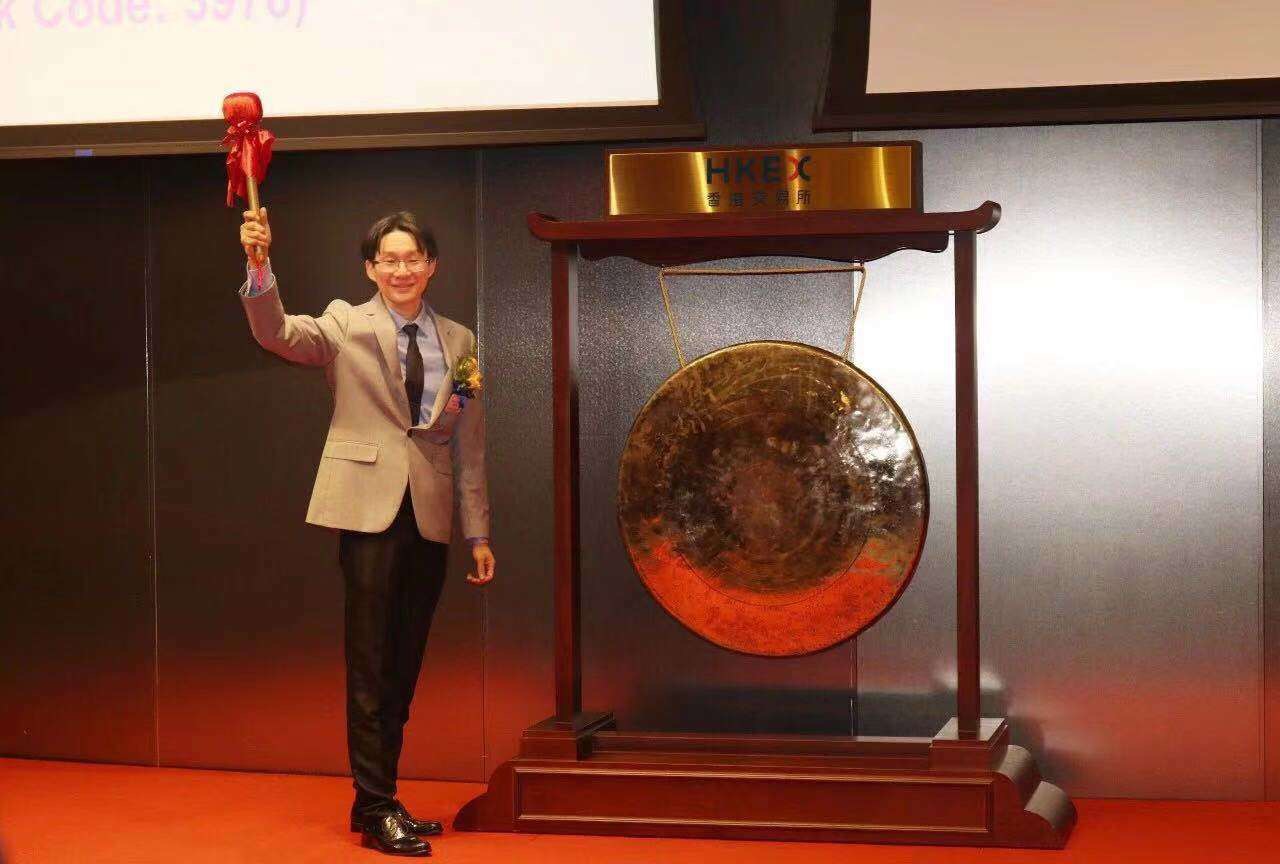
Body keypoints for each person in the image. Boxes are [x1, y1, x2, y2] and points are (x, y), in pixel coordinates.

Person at [237, 208, 494, 857]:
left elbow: (468, 439)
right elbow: (278, 334)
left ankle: (375, 797)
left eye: (413, 259)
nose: (402, 269)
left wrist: (478, 533)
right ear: (370, 269)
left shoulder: (462, 342)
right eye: (389, 260)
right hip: (366, 508)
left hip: (430, 512)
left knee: (404, 663)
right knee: (371, 661)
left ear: (431, 266)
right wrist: (260, 268)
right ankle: (377, 806)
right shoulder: (345, 323)